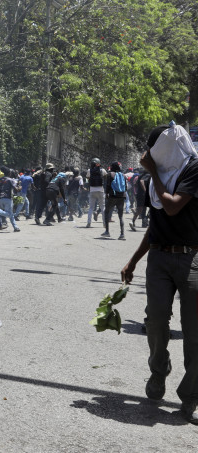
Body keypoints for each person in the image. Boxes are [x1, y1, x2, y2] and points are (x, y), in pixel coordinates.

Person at [121, 124, 198, 425]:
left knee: (194, 334)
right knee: (154, 321)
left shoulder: (192, 169)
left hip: (191, 258)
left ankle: (190, 395)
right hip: (159, 258)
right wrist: (133, 260)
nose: (149, 155)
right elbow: (156, 226)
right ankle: (159, 368)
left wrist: (152, 172)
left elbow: (173, 207)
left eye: (154, 150)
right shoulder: (158, 179)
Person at [101, 161, 126, 240]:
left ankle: (107, 231)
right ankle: (122, 234)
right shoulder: (123, 175)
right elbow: (125, 186)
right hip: (121, 196)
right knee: (121, 215)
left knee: (106, 212)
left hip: (112, 196)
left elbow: (107, 186)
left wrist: (106, 194)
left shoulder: (110, 174)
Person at [85, 158, 106, 228]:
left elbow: (88, 178)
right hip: (101, 190)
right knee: (103, 207)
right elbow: (105, 177)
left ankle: (88, 222)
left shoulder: (89, 170)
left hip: (92, 190)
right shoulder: (102, 170)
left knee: (91, 207)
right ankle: (104, 223)